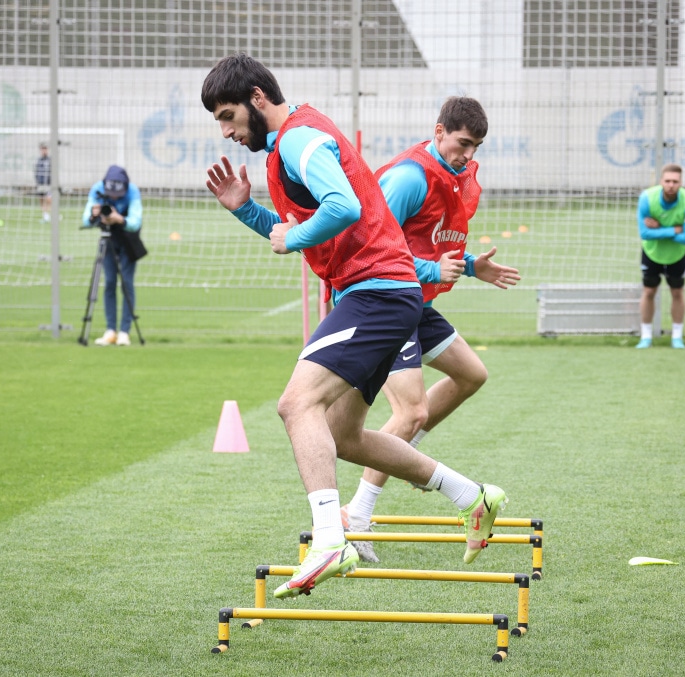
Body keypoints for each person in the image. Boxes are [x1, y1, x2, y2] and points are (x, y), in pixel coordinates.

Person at [201, 53, 506, 599]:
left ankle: (331, 538)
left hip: (376, 292)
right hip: (381, 292)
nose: (226, 131)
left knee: (297, 405)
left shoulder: (299, 138)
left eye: (228, 115)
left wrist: (291, 237)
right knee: (343, 436)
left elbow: (340, 207)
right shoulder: (290, 142)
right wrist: (245, 210)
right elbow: (322, 227)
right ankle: (472, 497)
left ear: (256, 97)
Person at [341, 97, 521, 563]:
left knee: (471, 375)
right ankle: (357, 514)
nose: (468, 155)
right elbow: (371, 241)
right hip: (380, 299)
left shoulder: (454, 174)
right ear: (439, 131)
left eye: (476, 146)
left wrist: (470, 268)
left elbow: (429, 244)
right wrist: (430, 267)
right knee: (412, 411)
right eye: (462, 143)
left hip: (413, 298)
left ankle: (404, 454)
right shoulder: (409, 177)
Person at [636, 163, 685, 349]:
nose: (671, 185)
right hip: (652, 253)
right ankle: (646, 336)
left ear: (681, 183)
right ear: (661, 181)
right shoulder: (647, 198)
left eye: (675, 181)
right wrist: (674, 230)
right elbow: (645, 234)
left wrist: (660, 229)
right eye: (667, 181)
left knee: (677, 293)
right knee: (648, 292)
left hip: (677, 256)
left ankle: (677, 337)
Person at [81, 165, 144, 347]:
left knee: (127, 283)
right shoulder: (97, 190)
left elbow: (135, 221)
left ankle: (124, 331)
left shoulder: (132, 191)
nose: (115, 197)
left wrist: (119, 219)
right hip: (108, 239)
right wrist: (94, 217)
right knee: (109, 282)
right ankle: (110, 330)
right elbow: (85, 220)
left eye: (118, 194)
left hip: (128, 239)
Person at [35, 142, 52, 222]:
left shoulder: (49, 160)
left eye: (45, 149)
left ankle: (51, 213)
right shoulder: (39, 160)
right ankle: (45, 214)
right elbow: (36, 172)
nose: (44, 151)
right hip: (40, 183)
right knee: (41, 199)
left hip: (48, 183)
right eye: (42, 149)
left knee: (49, 199)